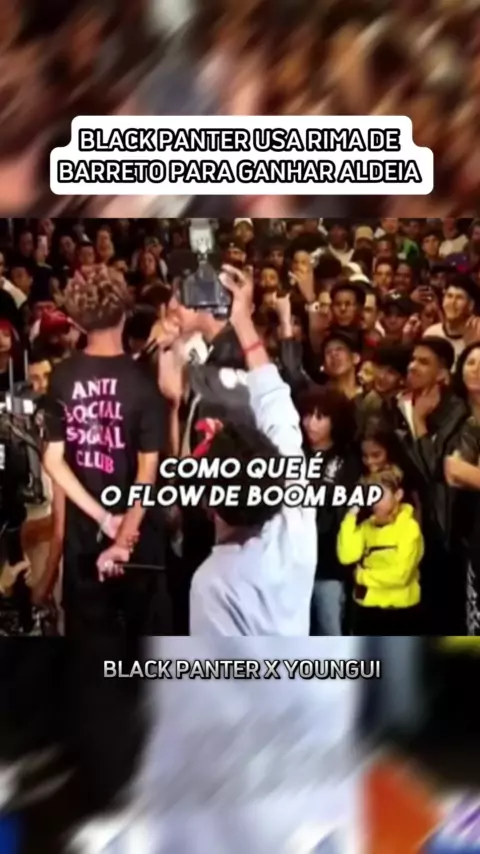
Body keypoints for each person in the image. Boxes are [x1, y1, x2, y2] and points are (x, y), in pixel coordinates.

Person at [42, 265, 167, 638]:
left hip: (85, 540)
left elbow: (52, 461)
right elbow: (147, 472)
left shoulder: (61, 377)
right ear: (126, 312)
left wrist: (104, 519)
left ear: (78, 322)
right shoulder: (144, 382)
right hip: (139, 543)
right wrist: (125, 532)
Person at [297, 384, 360, 635]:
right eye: (307, 415)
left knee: (330, 633)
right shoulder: (292, 452)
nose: (311, 423)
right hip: (293, 565)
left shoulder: (348, 459)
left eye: (320, 417)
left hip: (330, 565)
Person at [337, 466, 424, 635]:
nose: (374, 501)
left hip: (401, 610)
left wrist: (362, 576)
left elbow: (401, 575)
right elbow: (346, 556)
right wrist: (352, 514)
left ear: (398, 495)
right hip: (368, 609)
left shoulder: (409, 528)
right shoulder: (366, 527)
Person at [423, 273, 478, 364]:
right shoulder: (431, 334)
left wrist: (472, 346)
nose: (452, 302)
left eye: (459, 298)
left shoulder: (477, 336)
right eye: (449, 296)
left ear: (470, 305)